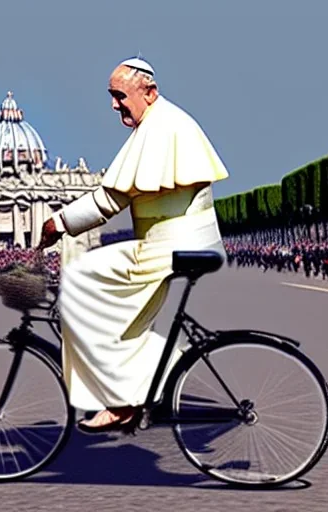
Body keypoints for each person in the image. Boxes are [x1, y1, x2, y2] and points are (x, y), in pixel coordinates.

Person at [37, 56, 229, 433]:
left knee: (78, 289)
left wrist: (58, 222)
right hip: (174, 243)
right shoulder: (165, 124)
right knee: (124, 322)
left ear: (149, 92)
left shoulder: (161, 128)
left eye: (119, 95)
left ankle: (124, 400)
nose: (113, 104)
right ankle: (133, 392)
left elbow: (109, 200)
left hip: (168, 246)